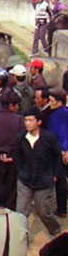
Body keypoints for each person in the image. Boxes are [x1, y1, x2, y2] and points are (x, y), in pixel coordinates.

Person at [13, 108, 64, 236]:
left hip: (44, 180)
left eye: (30, 120)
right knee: (21, 212)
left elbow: (57, 157)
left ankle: (55, 229)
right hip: (25, 179)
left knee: (43, 211)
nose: (27, 123)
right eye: (25, 120)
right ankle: (20, 237)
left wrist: (55, 175)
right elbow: (17, 155)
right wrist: (20, 171)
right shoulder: (21, 138)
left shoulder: (49, 138)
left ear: (39, 122)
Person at [47, 88, 68, 217]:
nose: (50, 103)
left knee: (61, 181)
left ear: (59, 102)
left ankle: (61, 209)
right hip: (63, 151)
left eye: (51, 101)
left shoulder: (55, 116)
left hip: (60, 152)